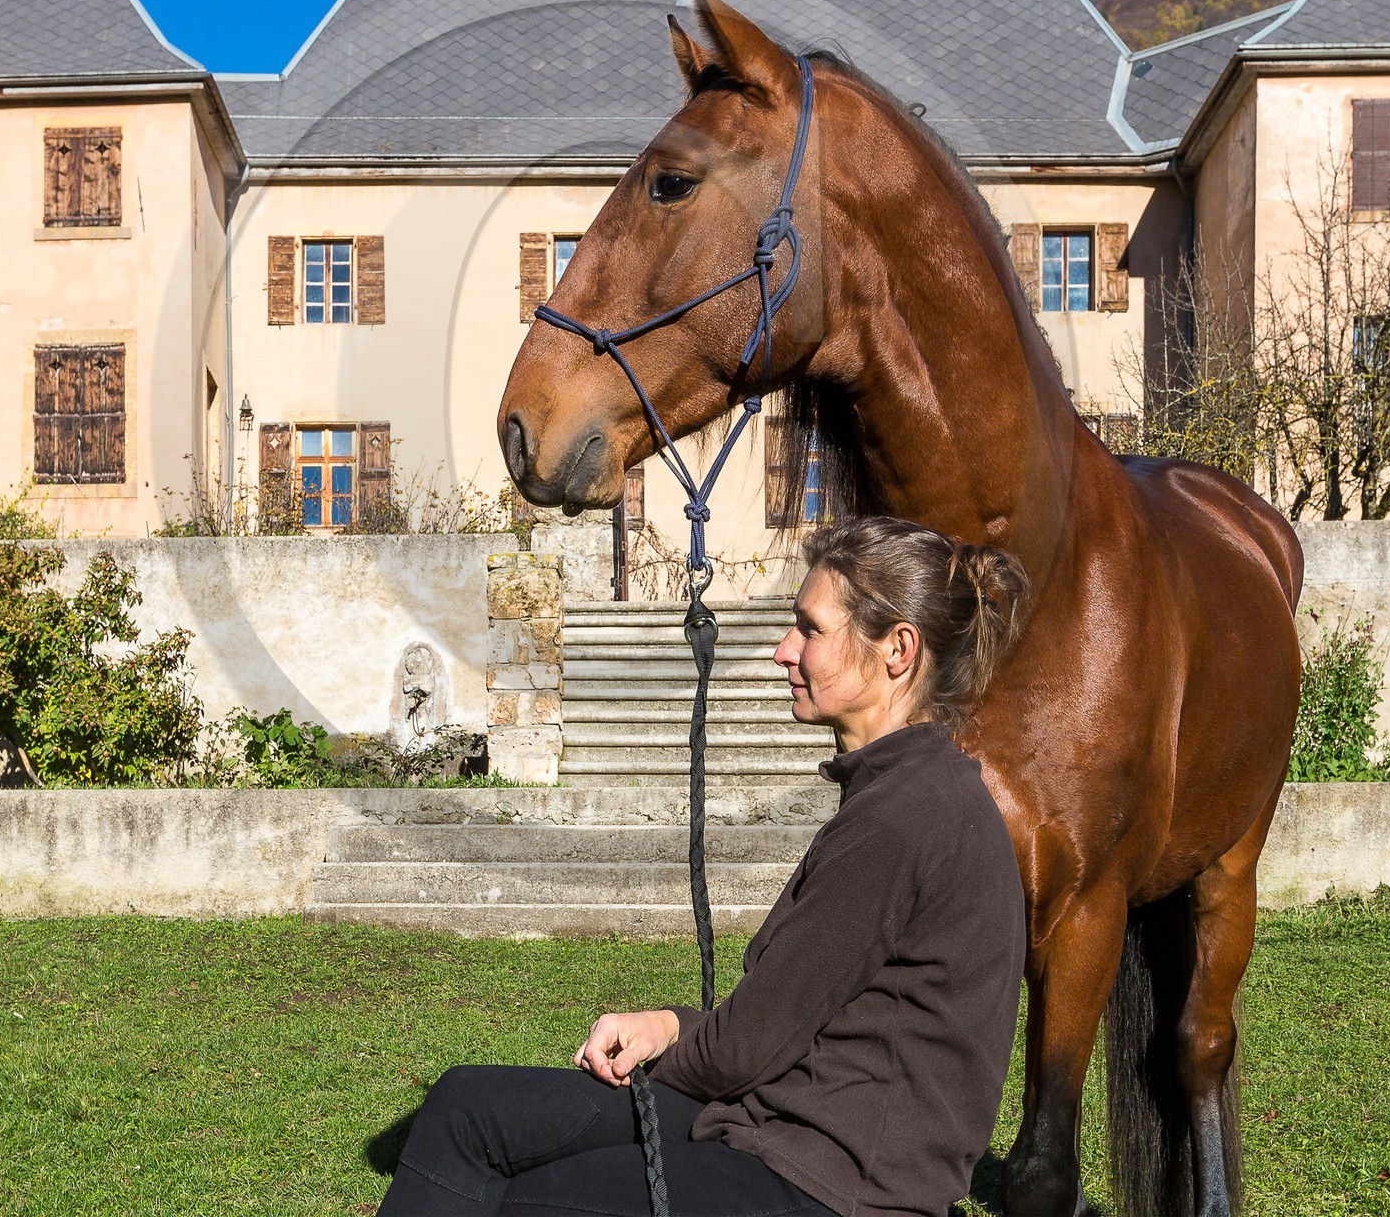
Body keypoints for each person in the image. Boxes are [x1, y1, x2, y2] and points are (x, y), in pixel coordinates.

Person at [377, 517, 1029, 1217]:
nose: (784, 651)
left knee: (526, 1201)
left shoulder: (906, 817)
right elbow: (784, 1017)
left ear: (898, 649)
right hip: (780, 1127)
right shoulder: (911, 790)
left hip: (824, 1183)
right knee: (466, 1108)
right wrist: (670, 1024)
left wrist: (676, 1043)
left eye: (809, 629)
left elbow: (748, 1046)